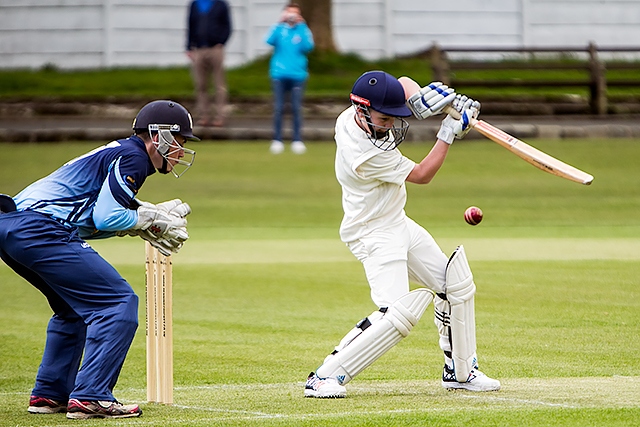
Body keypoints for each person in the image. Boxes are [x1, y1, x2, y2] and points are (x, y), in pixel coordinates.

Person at [304, 71, 501, 398]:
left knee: (456, 286)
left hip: (397, 222)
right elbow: (423, 175)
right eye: (385, 119)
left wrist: (434, 99)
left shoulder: (355, 112)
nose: (391, 126)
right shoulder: (364, 154)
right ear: (362, 111)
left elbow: (402, 83)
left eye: (395, 118)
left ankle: (461, 372)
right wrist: (448, 129)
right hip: (372, 232)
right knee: (395, 313)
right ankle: (324, 376)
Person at [0, 100, 199, 418]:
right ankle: (91, 395)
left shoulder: (122, 152)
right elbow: (107, 217)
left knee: (72, 310)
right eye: (181, 141)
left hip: (11, 226)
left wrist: (139, 222)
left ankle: (50, 394)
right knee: (117, 302)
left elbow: (91, 220)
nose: (181, 150)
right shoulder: (134, 157)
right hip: (40, 228)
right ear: (159, 136)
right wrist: (146, 219)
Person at [265, 2, 314, 155]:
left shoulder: (302, 30)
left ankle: (297, 139)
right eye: (289, 13)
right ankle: (277, 139)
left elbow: (308, 47)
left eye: (295, 13)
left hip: (298, 75)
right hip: (279, 74)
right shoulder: (279, 30)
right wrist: (279, 23)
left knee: (296, 108)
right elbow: (269, 41)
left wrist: (302, 26)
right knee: (279, 108)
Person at [186, 0, 232, 127]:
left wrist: (221, 41)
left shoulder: (221, 4)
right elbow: (190, 25)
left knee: (219, 84)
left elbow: (227, 26)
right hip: (199, 48)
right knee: (201, 85)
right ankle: (204, 115)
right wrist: (189, 46)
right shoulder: (195, 5)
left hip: (215, 48)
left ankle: (220, 116)